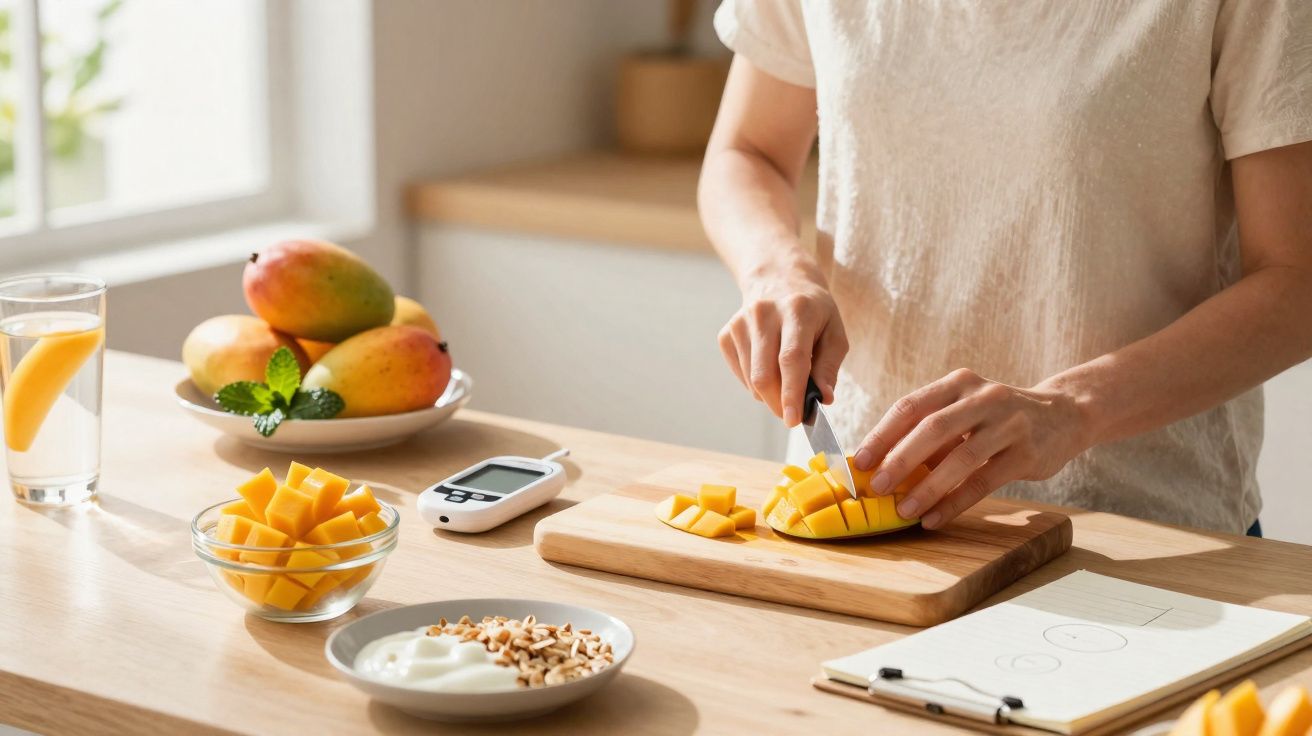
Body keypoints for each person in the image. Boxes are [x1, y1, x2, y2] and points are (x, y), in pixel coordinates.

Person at [698, 0, 1312, 536]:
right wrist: (775, 269)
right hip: (857, 510)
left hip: (1143, 534)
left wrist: (1070, 409)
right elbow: (747, 150)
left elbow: (1296, 280)